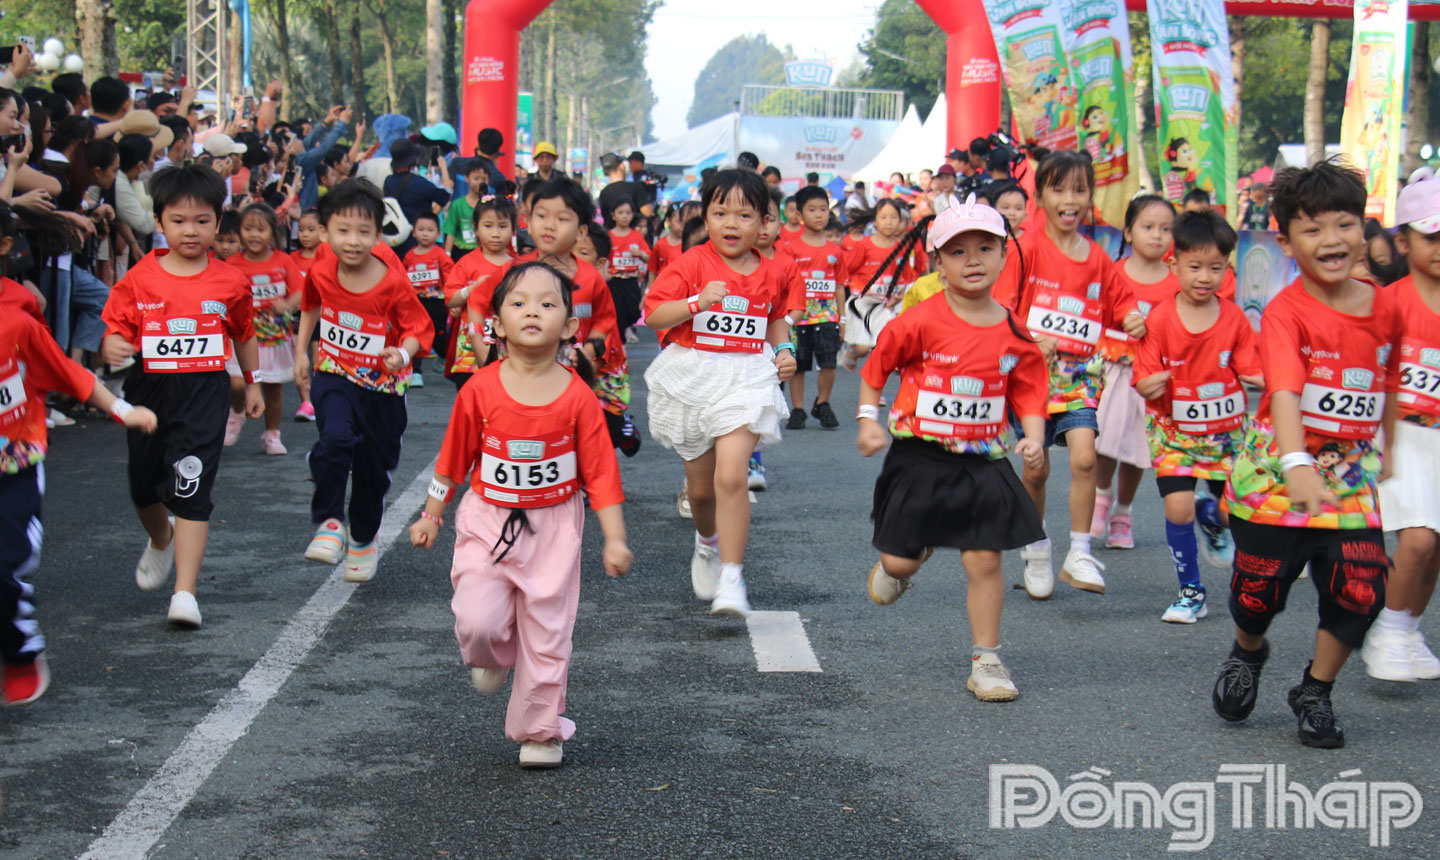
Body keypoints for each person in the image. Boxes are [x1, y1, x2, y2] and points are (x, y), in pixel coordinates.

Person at [410, 262, 632, 769]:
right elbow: (452, 459)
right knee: (478, 620)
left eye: (548, 303)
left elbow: (601, 476)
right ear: (496, 324)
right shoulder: (479, 390)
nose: (533, 310)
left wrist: (614, 539)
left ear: (571, 327)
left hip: (554, 526)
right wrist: (431, 515)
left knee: (549, 630)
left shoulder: (579, 396)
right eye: (518, 302)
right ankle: (493, 651)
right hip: (488, 517)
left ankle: (541, 731)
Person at [1212, 161, 1402, 749]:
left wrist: (1390, 447)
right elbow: (1287, 393)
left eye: (1344, 225)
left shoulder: (1384, 306)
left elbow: (1388, 381)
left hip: (1347, 474)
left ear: (1363, 230)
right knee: (1257, 594)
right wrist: (1296, 466)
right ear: (1286, 239)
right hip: (1277, 472)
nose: (1331, 241)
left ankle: (1315, 691)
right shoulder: (1285, 312)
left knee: (1362, 586)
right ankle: (1248, 651)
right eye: (1312, 229)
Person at [858, 199, 1047, 701]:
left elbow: (1029, 386)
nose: (973, 260)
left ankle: (986, 660)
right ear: (937, 261)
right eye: (957, 251)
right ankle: (909, 555)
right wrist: (867, 420)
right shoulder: (919, 320)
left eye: (985, 247)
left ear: (1005, 254)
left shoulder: (1012, 328)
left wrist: (1033, 435)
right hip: (920, 457)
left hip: (983, 461)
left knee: (985, 560)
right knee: (897, 566)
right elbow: (878, 366)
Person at [0, 203, 159, 705]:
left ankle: (19, 651)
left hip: (13, 464)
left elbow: (70, 375)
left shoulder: (16, 325)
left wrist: (121, 408)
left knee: (5, 567)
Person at [99, 165, 263, 628]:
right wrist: (113, 344)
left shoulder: (230, 281)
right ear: (159, 221)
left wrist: (250, 381)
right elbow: (117, 330)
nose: (190, 230)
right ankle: (160, 539)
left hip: (204, 391)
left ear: (218, 222)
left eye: (202, 220)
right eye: (178, 220)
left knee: (191, 487)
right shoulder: (139, 278)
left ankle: (185, 593)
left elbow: (244, 332)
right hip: (149, 392)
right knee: (143, 484)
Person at [643, 168, 800, 617]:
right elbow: (654, 314)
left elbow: (775, 318)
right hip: (693, 373)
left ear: (765, 222)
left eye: (745, 215)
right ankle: (707, 543)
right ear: (705, 217)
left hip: (746, 376)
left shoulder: (775, 271)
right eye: (720, 213)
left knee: (732, 476)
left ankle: (733, 576)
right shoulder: (691, 263)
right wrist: (696, 303)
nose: (732, 224)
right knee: (702, 491)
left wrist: (784, 348)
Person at [994, 150, 1145, 599]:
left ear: (1090, 197)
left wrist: (1134, 317)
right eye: (1059, 189)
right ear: (1040, 196)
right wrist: (1027, 341)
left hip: (1080, 376)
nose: (1070, 199)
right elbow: (1000, 312)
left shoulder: (1098, 258)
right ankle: (1036, 548)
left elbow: (1123, 301)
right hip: (1032, 380)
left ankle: (1080, 552)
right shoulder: (1025, 249)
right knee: (1035, 469)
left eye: (1080, 190)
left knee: (1084, 458)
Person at [294, 181, 434, 581]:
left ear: (378, 234)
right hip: (335, 374)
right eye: (342, 231)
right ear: (324, 232)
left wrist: (401, 354)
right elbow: (310, 305)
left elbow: (417, 329)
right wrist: (301, 352)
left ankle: (363, 538)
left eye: (363, 232)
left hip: (383, 389)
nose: (352, 242)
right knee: (336, 439)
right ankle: (330, 523)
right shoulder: (321, 269)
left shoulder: (391, 281)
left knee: (373, 469)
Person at [1133, 210, 1261, 624]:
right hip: (1174, 433)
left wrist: (1273, 379)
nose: (1205, 277)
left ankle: (1213, 517)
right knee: (1177, 509)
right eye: (1195, 267)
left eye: (1216, 268)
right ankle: (1191, 592)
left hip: (1225, 434)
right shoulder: (1160, 320)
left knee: (1231, 511)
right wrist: (1154, 383)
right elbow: (1145, 378)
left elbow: (1252, 369)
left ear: (1228, 268)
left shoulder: (1236, 319)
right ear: (1174, 264)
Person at [1360, 176, 1440, 681]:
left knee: (1436, 544)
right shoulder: (1391, 303)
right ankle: (1386, 629)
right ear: (1404, 242)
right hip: (1403, 434)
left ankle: (1408, 628)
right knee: (1418, 539)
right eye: (1431, 237)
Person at [1092, 195, 1178, 550]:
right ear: (1128, 232)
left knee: (1138, 449)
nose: (1156, 235)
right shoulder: (1112, 272)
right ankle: (1100, 496)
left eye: (1165, 229)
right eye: (1147, 227)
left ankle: (1123, 514)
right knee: (1103, 438)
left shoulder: (1176, 283)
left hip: (1152, 379)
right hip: (1113, 369)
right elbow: (1095, 312)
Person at [223, 202, 305, 454]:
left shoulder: (283, 260)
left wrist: (287, 304)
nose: (254, 235)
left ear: (273, 233)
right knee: (236, 383)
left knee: (273, 388)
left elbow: (299, 292)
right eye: (248, 228)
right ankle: (236, 413)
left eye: (261, 229)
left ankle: (271, 434)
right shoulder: (232, 263)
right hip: (242, 337)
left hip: (274, 337)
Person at [786, 185, 849, 430]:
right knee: (798, 365)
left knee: (829, 362)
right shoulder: (790, 248)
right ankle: (798, 409)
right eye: (812, 210)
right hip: (799, 316)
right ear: (800, 215)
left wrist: (842, 319)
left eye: (823, 209)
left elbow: (840, 286)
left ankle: (822, 403)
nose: (819, 214)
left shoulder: (835, 251)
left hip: (827, 316)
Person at [444, 195, 516, 383]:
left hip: (507, 342)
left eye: (502, 226)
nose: (495, 233)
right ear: (476, 228)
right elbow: (450, 298)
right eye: (488, 226)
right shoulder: (466, 263)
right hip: (469, 343)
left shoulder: (518, 266)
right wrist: (470, 290)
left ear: (513, 229)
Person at [841, 199, 914, 368]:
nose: (888, 222)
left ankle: (875, 391)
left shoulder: (903, 248)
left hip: (886, 306)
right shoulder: (864, 246)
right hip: (863, 304)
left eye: (893, 217)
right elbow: (847, 271)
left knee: (881, 348)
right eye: (883, 217)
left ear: (900, 221)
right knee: (862, 348)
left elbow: (908, 279)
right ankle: (853, 350)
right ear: (875, 221)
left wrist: (899, 298)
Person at [403, 211, 455, 387]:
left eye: (430, 230)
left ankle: (443, 354)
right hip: (416, 303)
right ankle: (416, 372)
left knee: (439, 336)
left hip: (437, 303)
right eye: (421, 229)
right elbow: (403, 277)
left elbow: (450, 277)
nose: (425, 233)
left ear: (438, 234)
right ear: (414, 232)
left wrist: (451, 297)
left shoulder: (440, 255)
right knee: (416, 334)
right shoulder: (409, 256)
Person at [384, 139, 451, 258]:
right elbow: (444, 197)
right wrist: (444, 169)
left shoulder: (388, 181)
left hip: (395, 242)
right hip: (418, 245)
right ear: (414, 160)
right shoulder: (419, 182)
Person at [604, 198, 651, 339]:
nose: (624, 216)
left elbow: (650, 257)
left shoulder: (636, 237)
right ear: (613, 216)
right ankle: (620, 342)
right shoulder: (608, 236)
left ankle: (625, 329)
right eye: (620, 212)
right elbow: (600, 257)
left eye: (628, 213)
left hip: (632, 281)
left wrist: (640, 254)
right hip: (613, 281)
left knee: (634, 312)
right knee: (617, 313)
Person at [297, 105, 351, 211]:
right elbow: (323, 148)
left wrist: (327, 120)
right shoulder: (300, 161)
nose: (299, 141)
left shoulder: (300, 157)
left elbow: (308, 142)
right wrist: (342, 124)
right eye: (294, 140)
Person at [443, 160, 490, 261]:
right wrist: (447, 256)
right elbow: (450, 233)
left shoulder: (490, 205)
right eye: (476, 178)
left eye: (484, 179)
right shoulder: (457, 205)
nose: (480, 182)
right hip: (461, 253)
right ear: (466, 178)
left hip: (483, 253)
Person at [649, 202, 685, 277]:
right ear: (668, 221)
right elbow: (653, 272)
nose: (683, 226)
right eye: (679, 222)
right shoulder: (660, 245)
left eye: (685, 221)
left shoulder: (691, 245)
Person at [472, 127, 504, 195]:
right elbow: (500, 203)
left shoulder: (458, 163)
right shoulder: (498, 177)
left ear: (478, 145)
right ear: (497, 150)